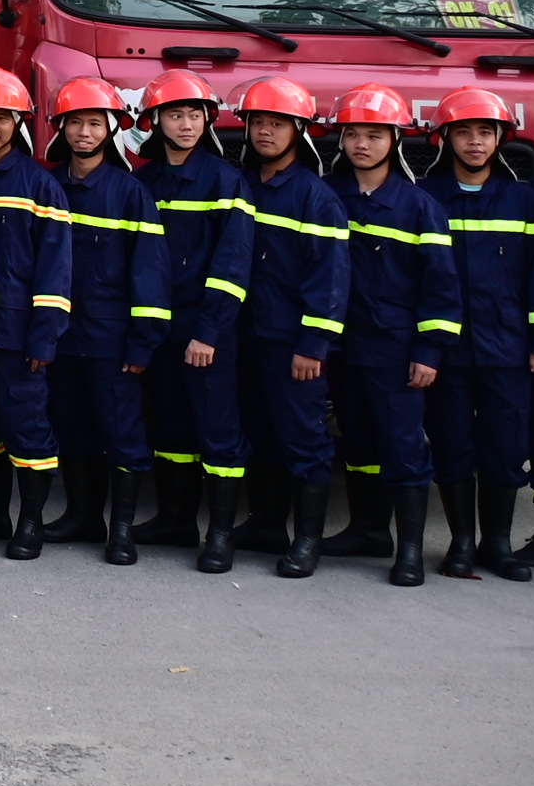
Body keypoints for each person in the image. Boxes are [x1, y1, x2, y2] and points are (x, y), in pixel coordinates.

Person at [423, 85, 534, 581]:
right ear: (446, 139)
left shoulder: (522, 200)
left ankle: (498, 546)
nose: (476, 142)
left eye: (486, 132)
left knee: (505, 449)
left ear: (501, 138)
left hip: (508, 350)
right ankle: (461, 545)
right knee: (453, 445)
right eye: (464, 132)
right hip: (448, 351)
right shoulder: (426, 199)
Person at [323, 82, 459, 586]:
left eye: (375, 135)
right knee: (357, 441)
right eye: (353, 134)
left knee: (403, 447)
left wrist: (429, 351)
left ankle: (408, 552)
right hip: (342, 344)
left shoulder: (420, 207)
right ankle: (367, 529)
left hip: (396, 347)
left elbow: (441, 289)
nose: (362, 144)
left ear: (395, 140)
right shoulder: (328, 195)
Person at [128, 70, 254, 557]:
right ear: (155, 120)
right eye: (175, 114)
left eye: (194, 115)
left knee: (218, 431)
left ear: (208, 120)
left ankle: (219, 538)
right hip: (157, 327)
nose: (185, 124)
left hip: (205, 330)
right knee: (169, 426)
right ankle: (174, 522)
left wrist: (209, 333)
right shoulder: (144, 182)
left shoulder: (226, 183)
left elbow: (232, 265)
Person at [228, 77, 348, 579]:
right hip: (246, 336)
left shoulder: (314, 199)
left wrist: (313, 346)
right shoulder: (243, 185)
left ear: (299, 131)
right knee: (259, 434)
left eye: (277, 124)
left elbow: (330, 281)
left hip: (291, 343)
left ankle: (307, 541)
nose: (265, 132)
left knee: (304, 440)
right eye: (258, 123)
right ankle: (266, 523)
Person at [45, 76, 167, 566]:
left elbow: (150, 274)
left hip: (112, 339)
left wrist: (142, 344)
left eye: (95, 123)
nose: (84, 133)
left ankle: (121, 530)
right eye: (75, 122)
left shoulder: (130, 193)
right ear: (61, 128)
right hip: (61, 336)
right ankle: (82, 516)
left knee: (122, 434)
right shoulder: (49, 185)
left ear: (113, 129)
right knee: (71, 429)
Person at [0, 68, 71, 560]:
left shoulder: (39, 187)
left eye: (3, 118)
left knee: (27, 429)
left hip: (17, 334)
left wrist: (45, 339)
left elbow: (55, 272)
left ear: (19, 122)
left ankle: (30, 523)